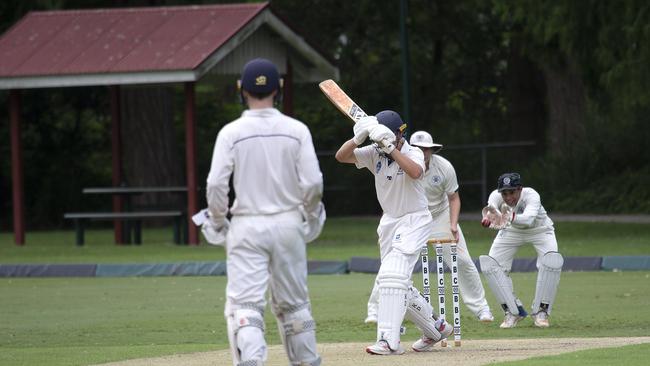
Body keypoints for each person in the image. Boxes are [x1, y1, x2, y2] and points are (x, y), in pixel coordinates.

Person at [204, 58, 325, 366]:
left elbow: (216, 183)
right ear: (279, 89)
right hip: (288, 223)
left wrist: (218, 220)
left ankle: (251, 362)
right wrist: (310, 215)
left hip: (246, 225)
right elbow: (312, 183)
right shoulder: (296, 130)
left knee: (245, 305)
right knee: (295, 305)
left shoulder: (231, 132)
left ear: (241, 90)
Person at [335, 111, 452, 355]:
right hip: (389, 222)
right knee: (397, 283)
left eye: (387, 137)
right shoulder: (373, 153)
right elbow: (341, 157)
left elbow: (415, 172)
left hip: (414, 219)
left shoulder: (413, 151)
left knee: (392, 276)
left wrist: (389, 147)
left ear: (400, 133)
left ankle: (388, 341)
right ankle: (436, 329)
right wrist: (359, 138)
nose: (382, 142)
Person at [364, 130, 494, 324]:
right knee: (392, 264)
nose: (423, 153)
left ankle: (481, 308)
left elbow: (454, 198)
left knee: (463, 260)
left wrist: (453, 224)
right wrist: (386, 228)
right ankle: (376, 311)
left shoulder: (444, 167)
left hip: (438, 215)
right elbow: (391, 199)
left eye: (426, 149)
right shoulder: (398, 164)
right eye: (419, 149)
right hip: (409, 218)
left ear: (432, 150)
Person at [479, 173, 563, 329]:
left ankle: (541, 312)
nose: (508, 197)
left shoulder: (532, 195)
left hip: (540, 229)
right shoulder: (495, 197)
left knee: (552, 263)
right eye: (504, 193)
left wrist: (508, 216)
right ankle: (513, 311)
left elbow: (528, 220)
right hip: (511, 230)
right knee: (491, 265)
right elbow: (492, 215)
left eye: (512, 192)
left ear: (520, 189)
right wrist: (489, 219)